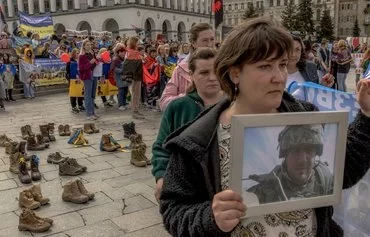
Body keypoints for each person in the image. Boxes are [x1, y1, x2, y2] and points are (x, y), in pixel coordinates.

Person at [159, 18, 370, 237]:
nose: (279, 77)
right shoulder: (199, 139)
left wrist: (367, 115)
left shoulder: (305, 117)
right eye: (265, 66)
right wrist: (211, 217)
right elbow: (173, 209)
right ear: (235, 73)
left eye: (281, 65)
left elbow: (344, 172)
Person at [152, 47, 224, 201]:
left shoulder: (234, 105)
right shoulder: (178, 107)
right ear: (191, 75)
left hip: (225, 187)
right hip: (187, 187)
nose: (212, 77)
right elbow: (161, 147)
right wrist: (161, 177)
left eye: (216, 71)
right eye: (204, 73)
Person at [247, 124, 333, 204]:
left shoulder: (325, 179)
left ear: (316, 153)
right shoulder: (265, 191)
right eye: (295, 150)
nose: (302, 160)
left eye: (309, 150)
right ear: (285, 155)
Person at [159, 23, 215, 111]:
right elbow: (164, 102)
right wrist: (189, 97)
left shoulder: (222, 66)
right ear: (193, 43)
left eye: (212, 39)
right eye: (205, 40)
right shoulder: (181, 69)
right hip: (190, 121)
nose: (210, 44)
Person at [123, 36, 145, 119]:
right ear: (134, 43)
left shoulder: (131, 51)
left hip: (136, 75)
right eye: (138, 42)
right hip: (135, 76)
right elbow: (131, 65)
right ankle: (135, 111)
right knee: (136, 93)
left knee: (135, 93)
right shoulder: (133, 52)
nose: (139, 44)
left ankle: (135, 110)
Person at [78, 39, 98, 120]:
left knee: (93, 95)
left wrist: (97, 60)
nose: (89, 46)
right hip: (87, 76)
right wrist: (90, 63)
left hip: (94, 74)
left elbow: (94, 65)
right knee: (88, 95)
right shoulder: (81, 56)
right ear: (84, 46)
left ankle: (92, 112)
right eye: (87, 45)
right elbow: (81, 68)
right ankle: (89, 114)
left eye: (90, 45)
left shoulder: (91, 54)